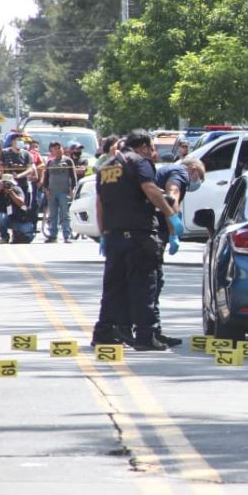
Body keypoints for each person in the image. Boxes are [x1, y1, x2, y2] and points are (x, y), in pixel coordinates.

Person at [91, 129, 185, 351]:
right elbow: (150, 189)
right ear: (142, 146)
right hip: (138, 235)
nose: (151, 153)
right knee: (144, 287)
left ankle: (104, 332)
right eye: (151, 148)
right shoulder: (138, 162)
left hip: (114, 236)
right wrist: (170, 214)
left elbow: (100, 203)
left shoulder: (105, 166)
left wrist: (104, 234)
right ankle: (145, 335)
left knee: (113, 288)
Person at [148, 158, 206, 346]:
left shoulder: (168, 170)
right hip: (155, 229)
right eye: (200, 178)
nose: (196, 183)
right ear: (194, 170)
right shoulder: (181, 173)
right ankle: (151, 331)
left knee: (152, 280)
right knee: (154, 280)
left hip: (148, 226)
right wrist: (173, 232)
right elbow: (172, 196)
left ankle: (151, 329)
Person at [43, 141, 78, 243]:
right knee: (53, 215)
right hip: (52, 192)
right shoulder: (50, 162)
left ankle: (66, 235)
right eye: (55, 149)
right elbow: (46, 177)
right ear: (52, 151)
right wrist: (46, 190)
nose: (58, 150)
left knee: (65, 214)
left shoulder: (68, 161)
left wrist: (72, 189)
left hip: (64, 192)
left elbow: (73, 176)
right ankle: (53, 236)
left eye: (59, 148)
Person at [0, 173, 35, 242]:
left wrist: (11, 193)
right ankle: (4, 236)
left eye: (8, 183)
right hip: (7, 219)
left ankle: (17, 235)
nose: (6, 185)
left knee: (27, 235)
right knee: (0, 217)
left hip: (19, 219)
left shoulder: (17, 189)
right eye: (4, 183)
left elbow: (21, 203)